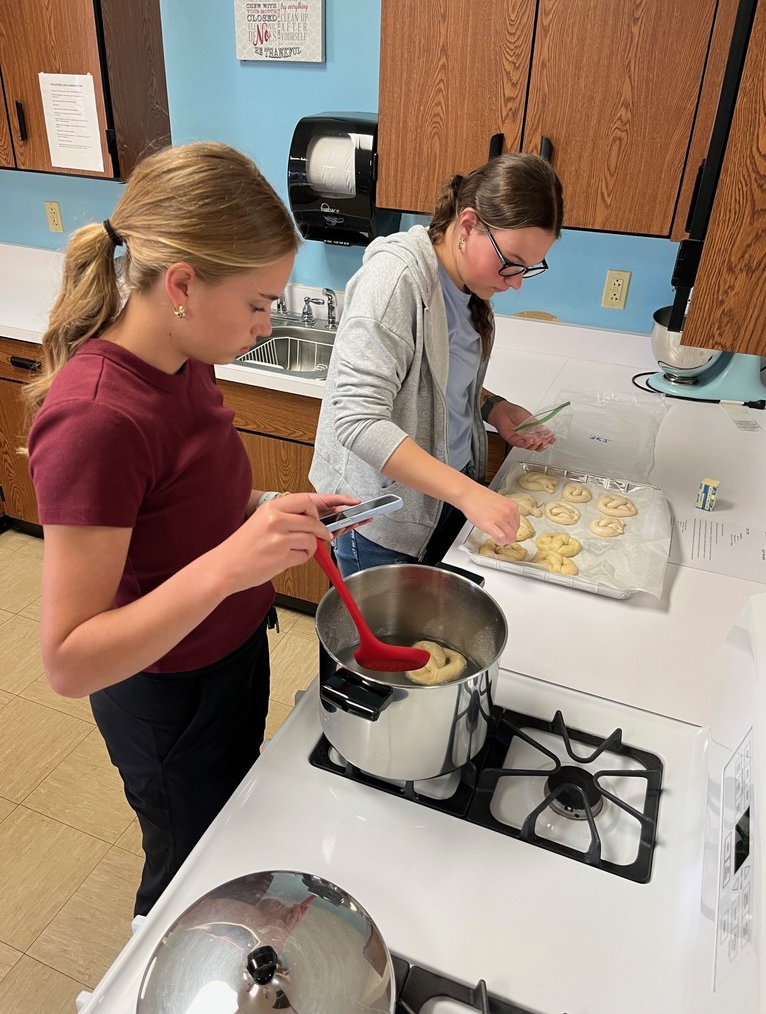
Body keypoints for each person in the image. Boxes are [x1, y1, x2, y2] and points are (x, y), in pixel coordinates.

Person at [25, 141, 356, 916]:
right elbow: (69, 661)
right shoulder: (96, 419)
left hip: (228, 654)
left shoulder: (186, 356)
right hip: (167, 697)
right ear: (180, 284)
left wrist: (265, 512)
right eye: (256, 303)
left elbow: (183, 510)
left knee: (229, 840)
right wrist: (230, 567)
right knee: (185, 872)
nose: (265, 322)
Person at [309, 152, 564, 576]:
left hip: (444, 502)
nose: (516, 282)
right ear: (467, 226)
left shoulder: (469, 288)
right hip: (385, 519)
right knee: (371, 640)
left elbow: (435, 382)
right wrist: (468, 494)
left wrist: (494, 409)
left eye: (529, 269)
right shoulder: (396, 282)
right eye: (511, 263)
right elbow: (357, 421)